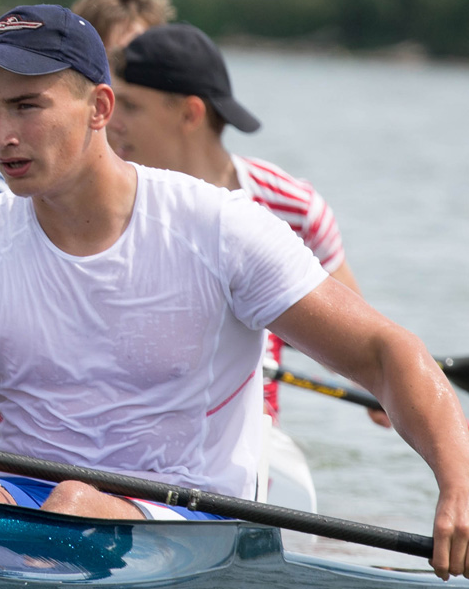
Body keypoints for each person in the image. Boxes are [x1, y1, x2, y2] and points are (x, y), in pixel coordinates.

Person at [0, 4, 469, 579]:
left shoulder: (219, 228)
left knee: (71, 502)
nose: (2, 136)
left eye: (27, 106)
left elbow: (386, 352)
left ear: (100, 108)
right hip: (19, 501)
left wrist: (462, 484)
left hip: (186, 518)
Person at [106, 22, 380, 428]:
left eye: (130, 106)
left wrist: (388, 389)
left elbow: (361, 346)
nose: (110, 120)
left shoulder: (293, 208)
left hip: (246, 436)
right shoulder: (105, 201)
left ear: (189, 113)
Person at [0, 0, 173, 211]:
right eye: (117, 59)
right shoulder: (2, 190)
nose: (130, 76)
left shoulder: (189, 192)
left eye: (146, 61)